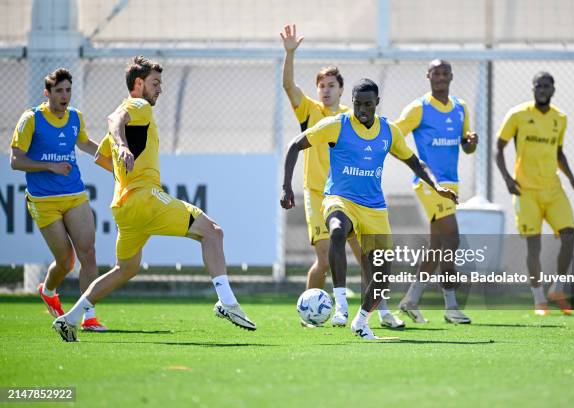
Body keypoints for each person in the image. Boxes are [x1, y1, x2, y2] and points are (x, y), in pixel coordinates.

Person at [52, 56, 256, 342]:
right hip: (145, 198)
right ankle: (227, 302)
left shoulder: (132, 117)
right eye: (155, 83)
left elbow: (101, 157)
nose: (160, 89)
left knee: (127, 268)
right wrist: (123, 146)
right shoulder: (138, 106)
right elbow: (114, 120)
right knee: (213, 232)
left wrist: (121, 153)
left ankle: (70, 318)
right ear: (138, 84)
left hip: (124, 208)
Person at [281, 78, 457, 339]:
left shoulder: (388, 131)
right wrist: (286, 186)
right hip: (340, 199)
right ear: (351, 103)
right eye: (357, 104)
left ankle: (361, 321)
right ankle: (340, 303)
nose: (362, 109)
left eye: (368, 104)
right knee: (338, 230)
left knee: (383, 277)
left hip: (374, 209)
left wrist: (436, 185)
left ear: (377, 103)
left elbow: (415, 162)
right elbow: (296, 144)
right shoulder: (337, 125)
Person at [280, 24, 404, 328]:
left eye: (331, 85)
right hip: (317, 193)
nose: (325, 89)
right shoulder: (309, 110)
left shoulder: (353, 114)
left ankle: (382, 311)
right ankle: (311, 310)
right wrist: (290, 54)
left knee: (367, 258)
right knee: (324, 258)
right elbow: (288, 87)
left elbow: (381, 133)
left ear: (341, 89)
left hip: (350, 196)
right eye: (321, 84)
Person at [10, 68, 107, 331]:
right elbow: (15, 160)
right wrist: (48, 166)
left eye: (68, 90)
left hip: (74, 194)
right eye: (59, 91)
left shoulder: (75, 117)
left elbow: (86, 144)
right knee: (66, 261)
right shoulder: (31, 119)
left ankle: (88, 316)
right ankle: (49, 290)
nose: (65, 96)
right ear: (47, 93)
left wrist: (114, 161)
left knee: (88, 252)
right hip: (43, 201)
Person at [394, 59, 478, 324]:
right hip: (430, 184)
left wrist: (470, 143)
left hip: (451, 184)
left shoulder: (461, 107)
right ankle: (452, 306)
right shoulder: (418, 108)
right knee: (452, 240)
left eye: (445, 73)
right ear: (427, 76)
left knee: (438, 246)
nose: (440, 77)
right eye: (435, 73)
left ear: (451, 76)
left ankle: (410, 300)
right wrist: (414, 163)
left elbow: (467, 147)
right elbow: (394, 135)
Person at [495, 71, 574, 316]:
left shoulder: (560, 118)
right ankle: (539, 299)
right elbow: (498, 148)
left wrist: (573, 181)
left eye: (546, 86)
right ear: (532, 89)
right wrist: (507, 179)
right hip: (526, 191)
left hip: (553, 189)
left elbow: (559, 152)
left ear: (553, 89)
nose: (542, 89)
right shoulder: (518, 115)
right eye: (538, 86)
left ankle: (557, 288)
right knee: (534, 248)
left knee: (569, 235)